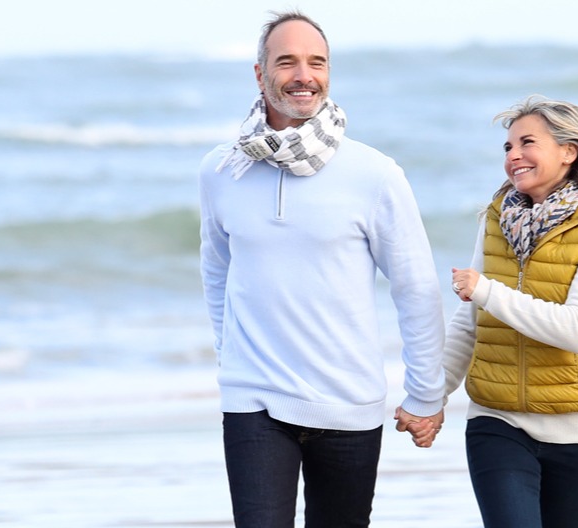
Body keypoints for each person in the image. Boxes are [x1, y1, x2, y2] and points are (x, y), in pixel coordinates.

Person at [198, 10, 444, 528]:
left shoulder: (374, 173)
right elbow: (217, 270)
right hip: (254, 397)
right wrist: (230, 355)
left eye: (317, 62)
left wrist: (425, 393)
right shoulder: (222, 170)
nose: (303, 75)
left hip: (348, 401)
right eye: (286, 61)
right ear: (260, 74)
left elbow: (415, 286)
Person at [443, 95, 578, 528]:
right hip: (497, 419)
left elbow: (577, 330)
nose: (514, 156)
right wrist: (430, 397)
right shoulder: (495, 219)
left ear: (569, 151)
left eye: (527, 143)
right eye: (508, 147)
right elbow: (469, 323)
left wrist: (487, 291)